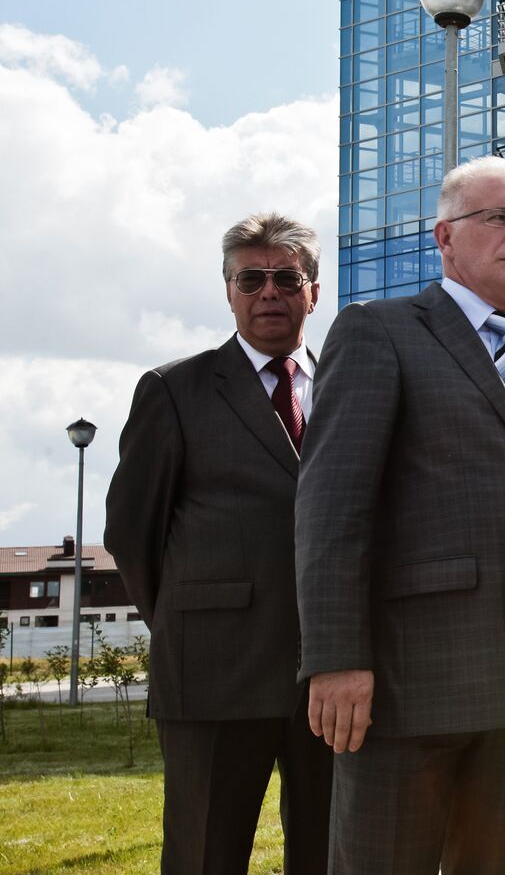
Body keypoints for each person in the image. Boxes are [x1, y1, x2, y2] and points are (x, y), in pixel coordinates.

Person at [294, 156, 505, 875]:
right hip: (408, 686)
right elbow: (331, 508)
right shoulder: (378, 332)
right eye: (501, 219)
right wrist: (336, 658)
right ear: (445, 236)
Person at [105, 212, 333, 875]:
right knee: (206, 855)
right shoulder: (174, 390)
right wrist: (188, 618)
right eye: (251, 278)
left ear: (312, 291)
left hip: (332, 675)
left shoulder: (351, 385)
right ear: (228, 290)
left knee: (332, 855)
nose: (269, 292)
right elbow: (130, 531)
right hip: (212, 675)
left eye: (286, 278)